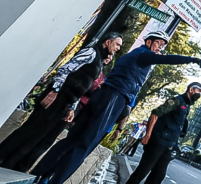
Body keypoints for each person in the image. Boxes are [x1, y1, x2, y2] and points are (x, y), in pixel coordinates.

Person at [29, 30, 201, 184]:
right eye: (159, 43)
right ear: (149, 41)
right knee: (84, 145)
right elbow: (167, 59)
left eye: (163, 45)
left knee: (71, 140)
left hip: (102, 97)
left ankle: (37, 182)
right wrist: (192, 59)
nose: (161, 47)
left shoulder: (131, 57)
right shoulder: (143, 54)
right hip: (113, 99)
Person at [0, 33, 122, 174]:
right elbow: (65, 69)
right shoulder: (91, 52)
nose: (118, 48)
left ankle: (10, 168)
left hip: (65, 102)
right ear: (107, 42)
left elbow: (81, 88)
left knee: (38, 138)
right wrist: (55, 90)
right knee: (30, 130)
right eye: (117, 44)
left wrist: (71, 107)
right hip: (57, 96)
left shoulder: (99, 61)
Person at [109, 82, 201, 184]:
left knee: (158, 176)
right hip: (157, 143)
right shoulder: (176, 101)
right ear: (191, 90)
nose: (199, 94)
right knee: (140, 174)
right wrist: (148, 135)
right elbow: (155, 113)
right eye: (199, 91)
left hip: (168, 146)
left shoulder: (186, 106)